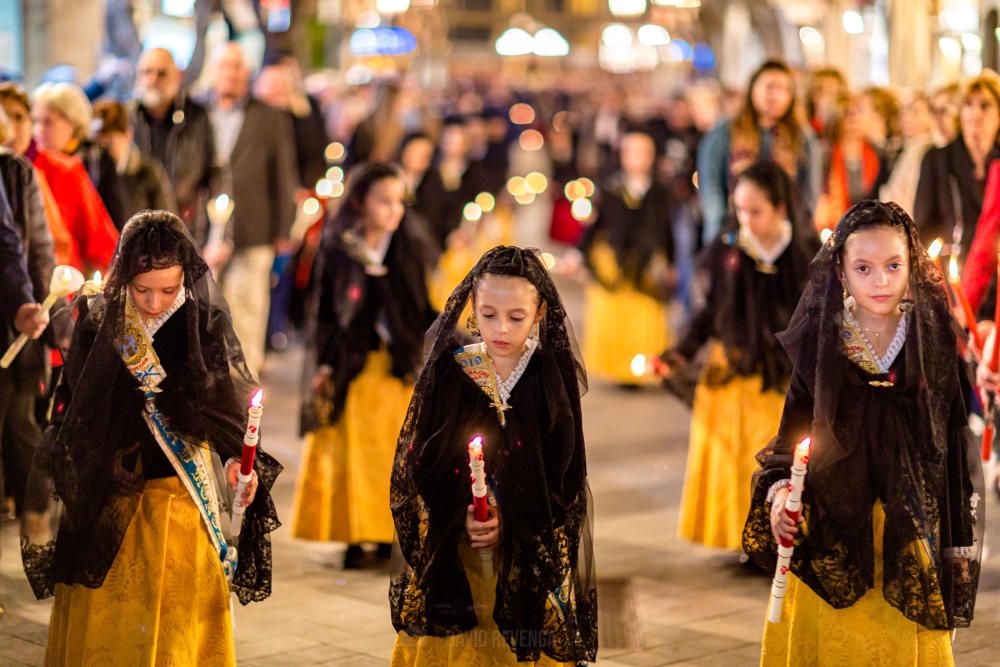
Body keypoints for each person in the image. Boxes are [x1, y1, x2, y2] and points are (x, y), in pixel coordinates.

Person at [20, 210, 282, 664]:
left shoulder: (201, 321)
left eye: (168, 289)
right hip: (111, 493)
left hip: (177, 493)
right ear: (124, 274)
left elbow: (222, 406)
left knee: (177, 611)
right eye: (142, 290)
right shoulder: (100, 317)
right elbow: (75, 403)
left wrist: (235, 462)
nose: (156, 303)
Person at [742, 201, 983, 664]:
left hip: (909, 534)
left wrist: (956, 550)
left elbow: (951, 450)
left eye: (894, 266)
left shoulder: (930, 344)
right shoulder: (822, 343)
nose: (880, 281)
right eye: (864, 268)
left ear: (912, 265)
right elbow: (790, 438)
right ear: (840, 269)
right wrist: (778, 499)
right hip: (832, 526)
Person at [390, 245, 598, 666]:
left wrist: (513, 515)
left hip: (524, 549)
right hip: (457, 548)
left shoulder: (546, 376)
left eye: (516, 317)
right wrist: (461, 509)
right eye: (487, 314)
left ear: (538, 314)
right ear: (472, 307)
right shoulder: (453, 370)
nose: (500, 328)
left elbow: (565, 470)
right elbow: (422, 458)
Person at [658, 161, 812, 551]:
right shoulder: (726, 249)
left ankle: (778, 535)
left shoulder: (806, 253)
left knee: (774, 454)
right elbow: (707, 311)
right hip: (732, 367)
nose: (745, 220)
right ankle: (740, 538)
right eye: (739, 209)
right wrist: (681, 351)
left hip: (781, 376)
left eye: (755, 211)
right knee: (732, 458)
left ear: (780, 208)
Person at [291, 163, 435, 568]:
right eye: (384, 201)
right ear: (361, 202)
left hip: (394, 366)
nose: (394, 211)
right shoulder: (339, 245)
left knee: (391, 453)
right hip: (350, 365)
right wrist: (324, 361)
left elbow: (419, 305)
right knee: (348, 455)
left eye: (399, 202)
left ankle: (386, 532)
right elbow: (322, 308)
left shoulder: (406, 244)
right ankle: (353, 535)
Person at [204, 42, 297, 376]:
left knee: (247, 310)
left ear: (247, 73)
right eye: (224, 66)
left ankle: (246, 385)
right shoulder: (199, 111)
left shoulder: (267, 116)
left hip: (254, 228)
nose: (231, 73)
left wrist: (284, 229)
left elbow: (284, 173)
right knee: (207, 311)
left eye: (237, 67)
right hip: (206, 232)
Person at [578, 129, 675, 385]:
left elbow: (666, 229)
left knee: (644, 315)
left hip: (646, 266)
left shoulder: (660, 192)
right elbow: (596, 226)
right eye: (632, 152)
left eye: (644, 153)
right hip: (616, 263)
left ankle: (643, 368)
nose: (638, 158)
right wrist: (582, 254)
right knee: (615, 315)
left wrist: (671, 262)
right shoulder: (610, 189)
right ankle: (618, 367)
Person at [697, 60, 822, 244]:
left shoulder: (801, 137)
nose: (776, 96)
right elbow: (711, 184)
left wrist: (799, 226)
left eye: (785, 89)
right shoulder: (726, 132)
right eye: (770, 87)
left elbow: (810, 189)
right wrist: (719, 226)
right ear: (753, 88)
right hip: (734, 230)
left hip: (785, 232)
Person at [131, 47, 218, 234]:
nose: (152, 80)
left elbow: (215, 172)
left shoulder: (197, 117)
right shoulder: (128, 119)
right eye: (146, 72)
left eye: (161, 74)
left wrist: (219, 232)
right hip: (137, 229)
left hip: (185, 226)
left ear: (178, 75)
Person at [914, 70, 1000, 258]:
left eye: (985, 106)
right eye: (968, 105)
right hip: (952, 266)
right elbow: (922, 225)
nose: (975, 113)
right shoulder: (937, 159)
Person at [32, 82, 131, 230]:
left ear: (73, 122)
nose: (39, 130)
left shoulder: (97, 159)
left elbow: (116, 219)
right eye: (35, 121)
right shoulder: (31, 161)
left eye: (48, 122)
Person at [92, 100, 178, 218]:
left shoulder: (147, 171)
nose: (104, 149)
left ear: (127, 135)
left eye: (110, 141)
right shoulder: (93, 169)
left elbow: (166, 219)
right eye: (100, 143)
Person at [814, 95, 888, 231]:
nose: (853, 119)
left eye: (857, 113)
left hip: (870, 223)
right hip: (836, 224)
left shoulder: (877, 152)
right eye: (847, 114)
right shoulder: (825, 153)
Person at [879, 93, 935, 217]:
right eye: (905, 112)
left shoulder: (926, 152)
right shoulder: (905, 149)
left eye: (915, 112)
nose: (907, 118)